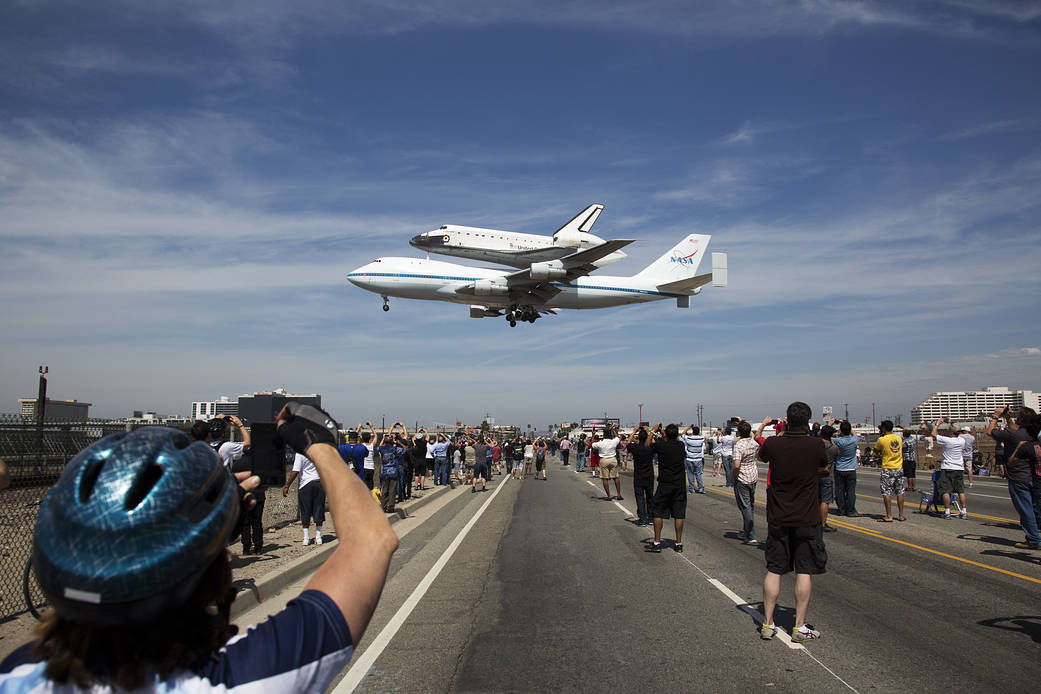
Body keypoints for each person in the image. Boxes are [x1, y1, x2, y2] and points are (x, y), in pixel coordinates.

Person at [0, 402, 397, 692]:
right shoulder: (247, 675)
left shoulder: (17, 672)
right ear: (209, 579)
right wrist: (319, 444)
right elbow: (371, 540)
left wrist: (203, 531)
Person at [757, 402, 828, 643]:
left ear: (786, 420)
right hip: (807, 516)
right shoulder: (815, 444)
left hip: (779, 514)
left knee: (774, 569)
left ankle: (767, 623)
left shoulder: (775, 444)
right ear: (808, 421)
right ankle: (798, 627)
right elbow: (823, 466)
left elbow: (762, 454)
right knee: (804, 570)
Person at [987, 406, 1041, 549]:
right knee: (1036, 508)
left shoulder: (1013, 435)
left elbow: (990, 432)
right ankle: (1035, 534)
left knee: (1025, 509)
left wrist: (995, 416)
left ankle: (1034, 540)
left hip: (1018, 476)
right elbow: (1014, 430)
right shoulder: (1032, 433)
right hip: (1033, 475)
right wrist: (1007, 417)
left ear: (1021, 420)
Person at [647, 423, 687, 553]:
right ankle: (678, 543)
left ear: (666, 435)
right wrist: (665, 433)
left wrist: (653, 431)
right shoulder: (681, 446)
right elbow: (671, 438)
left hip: (665, 484)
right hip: (679, 484)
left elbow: (647, 445)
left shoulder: (662, 446)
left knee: (657, 511)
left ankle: (657, 542)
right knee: (679, 514)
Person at [284, 448, 326, 546]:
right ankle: (318, 536)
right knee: (319, 508)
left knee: (305, 510)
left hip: (305, 484)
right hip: (319, 483)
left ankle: (306, 537)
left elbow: (295, 471)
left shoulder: (300, 454)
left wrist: (287, 485)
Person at [931, 419, 968, 519]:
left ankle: (947, 511)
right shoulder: (962, 441)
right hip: (959, 468)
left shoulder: (947, 440)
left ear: (951, 432)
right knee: (961, 490)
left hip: (947, 467)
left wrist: (938, 424)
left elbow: (934, 434)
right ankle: (964, 511)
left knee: (946, 490)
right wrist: (951, 423)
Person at [732, 420, 761, 545]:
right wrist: (763, 425)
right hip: (753, 476)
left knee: (745, 506)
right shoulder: (753, 442)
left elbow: (737, 465)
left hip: (742, 477)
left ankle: (750, 534)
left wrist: (734, 477)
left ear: (738, 432)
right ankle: (747, 530)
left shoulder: (739, 445)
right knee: (750, 505)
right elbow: (757, 435)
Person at [874, 420, 906, 522]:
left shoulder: (882, 439)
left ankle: (889, 515)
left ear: (883, 428)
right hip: (899, 467)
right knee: (900, 491)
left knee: (887, 492)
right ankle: (901, 515)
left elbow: (875, 451)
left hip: (887, 468)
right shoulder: (898, 438)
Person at [831, 420, 859, 517]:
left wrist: (830, 424)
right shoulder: (854, 439)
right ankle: (850, 510)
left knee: (840, 490)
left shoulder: (838, 441)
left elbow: (826, 437)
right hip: (851, 468)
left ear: (841, 431)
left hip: (840, 468)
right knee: (851, 491)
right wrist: (846, 424)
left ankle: (841, 509)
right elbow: (854, 432)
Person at [377, 424, 407, 513]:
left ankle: (383, 506)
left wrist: (383, 438)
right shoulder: (395, 449)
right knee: (392, 491)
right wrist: (398, 443)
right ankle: (390, 507)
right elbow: (405, 449)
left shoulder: (382, 449)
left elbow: (378, 446)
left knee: (384, 490)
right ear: (392, 442)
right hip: (393, 471)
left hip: (385, 471)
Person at [629, 428, 655, 526]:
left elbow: (628, 443)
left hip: (639, 476)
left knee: (640, 498)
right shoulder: (650, 447)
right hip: (649, 475)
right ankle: (651, 517)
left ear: (638, 438)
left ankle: (642, 518)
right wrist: (649, 433)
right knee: (650, 497)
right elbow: (653, 441)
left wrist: (634, 431)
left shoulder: (635, 447)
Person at [818, 424, 838, 532]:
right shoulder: (833, 447)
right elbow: (837, 454)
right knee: (825, 500)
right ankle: (823, 523)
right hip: (827, 475)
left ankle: (815, 521)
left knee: (816, 499)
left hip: (815, 474)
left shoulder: (816, 445)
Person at [594, 427, 622, 500]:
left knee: (605, 478)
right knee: (616, 477)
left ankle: (609, 496)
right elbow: (617, 437)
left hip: (604, 460)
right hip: (613, 459)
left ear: (603, 435)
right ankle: (618, 494)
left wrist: (593, 434)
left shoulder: (601, 443)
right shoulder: (613, 441)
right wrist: (613, 430)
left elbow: (593, 444)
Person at [680, 424, 706, 494]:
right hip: (698, 459)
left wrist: (688, 428)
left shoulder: (688, 438)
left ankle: (692, 489)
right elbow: (702, 436)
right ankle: (701, 488)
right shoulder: (702, 438)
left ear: (692, 432)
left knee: (690, 474)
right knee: (699, 474)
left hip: (689, 459)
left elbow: (682, 434)